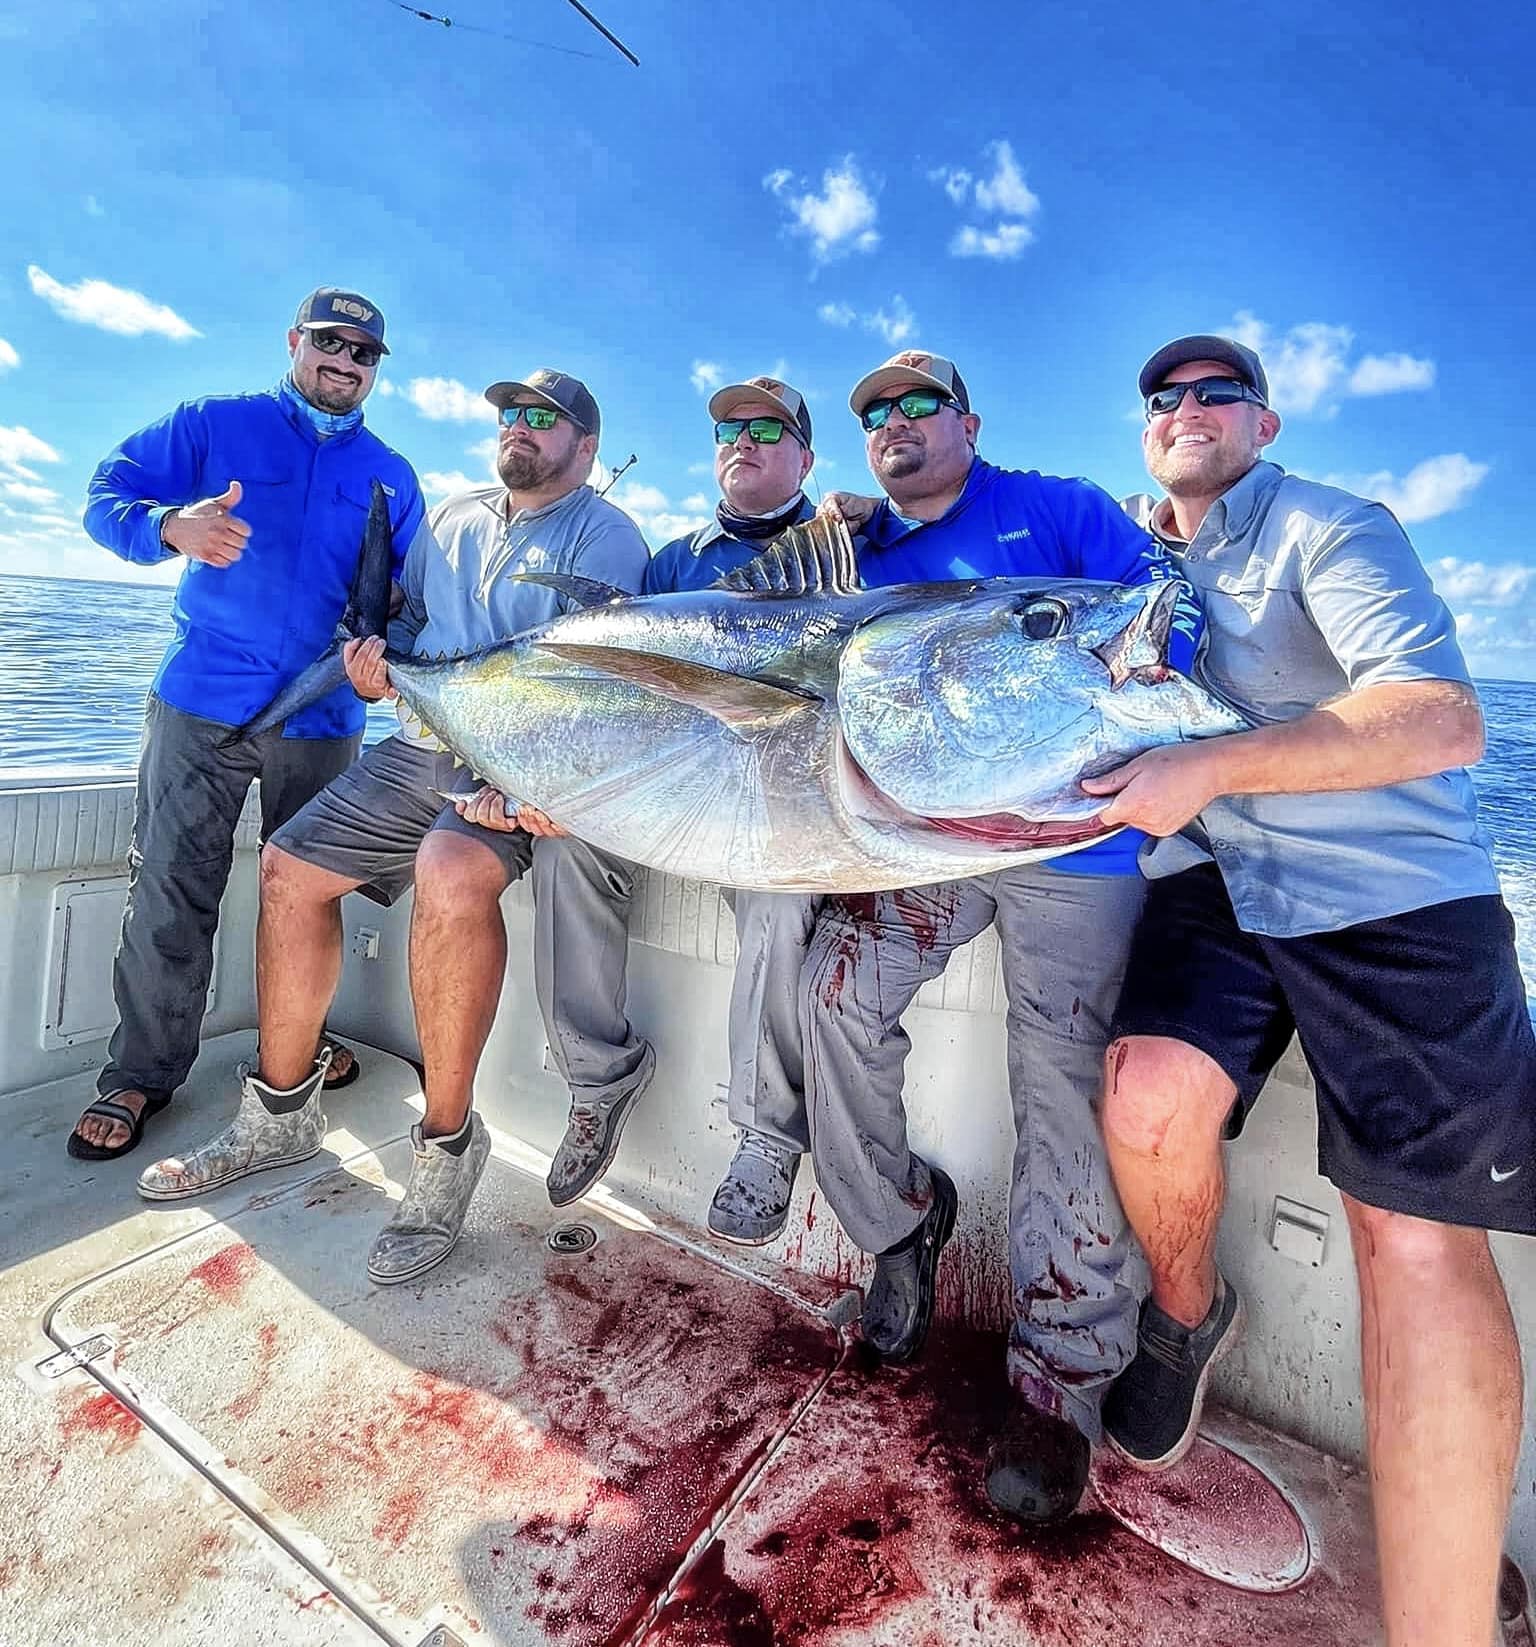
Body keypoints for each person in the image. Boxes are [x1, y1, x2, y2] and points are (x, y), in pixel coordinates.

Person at [1087, 334, 1533, 1647]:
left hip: (1392, 885)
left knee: (1407, 1236)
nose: (1187, 407)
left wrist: (1217, 767)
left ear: (1265, 425)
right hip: (1224, 879)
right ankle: (1183, 1313)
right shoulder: (1136, 563)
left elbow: (1444, 718)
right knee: (1147, 1093)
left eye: (1218, 390)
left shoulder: (1335, 524)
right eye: (1162, 395)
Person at [136, 369, 655, 1288]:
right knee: (289, 865)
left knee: (452, 870)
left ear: (586, 445)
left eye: (546, 420)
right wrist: (375, 669)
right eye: (511, 414)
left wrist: (533, 788)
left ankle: (447, 1147)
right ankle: (280, 1112)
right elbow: (407, 625)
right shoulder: (453, 515)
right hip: (420, 745)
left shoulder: (607, 536)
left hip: (519, 766)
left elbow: (594, 685)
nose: (521, 429)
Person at [804, 349, 1200, 1524]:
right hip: (930, 846)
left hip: (1078, 848)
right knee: (833, 991)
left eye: (923, 405)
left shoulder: (1062, 510)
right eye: (875, 410)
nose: (898, 423)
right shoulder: (859, 554)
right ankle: (899, 1223)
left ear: (971, 424)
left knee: (1066, 1083)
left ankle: (1063, 1378)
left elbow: (1159, 632)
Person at [70, 287, 425, 1162]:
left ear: (378, 368)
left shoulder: (394, 474)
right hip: (202, 701)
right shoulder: (213, 423)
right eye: (330, 344)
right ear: (295, 341)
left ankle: (297, 1049)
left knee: (308, 895)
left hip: (326, 716)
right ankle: (140, 1072)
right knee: (170, 886)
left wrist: (390, 661)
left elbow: (407, 605)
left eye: (364, 353)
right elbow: (104, 494)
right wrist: (170, 526)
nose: (345, 363)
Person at [639, 375, 820, 1243]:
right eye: (729, 430)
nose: (741, 441)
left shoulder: (846, 549)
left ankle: (765, 1136)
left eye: (766, 430)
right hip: (673, 794)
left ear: (806, 459)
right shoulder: (673, 563)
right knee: (559, 852)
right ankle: (590, 1083)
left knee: (784, 905)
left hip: (781, 810)